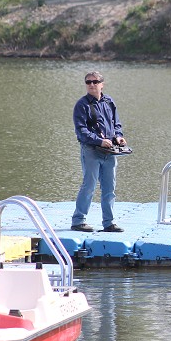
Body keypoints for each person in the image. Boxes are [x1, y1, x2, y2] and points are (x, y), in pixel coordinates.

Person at [71, 71, 127, 233]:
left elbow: (116, 124)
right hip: (91, 150)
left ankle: (108, 223)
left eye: (95, 82)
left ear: (102, 84)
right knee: (89, 185)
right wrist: (98, 140)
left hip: (109, 151)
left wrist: (119, 137)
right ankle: (78, 220)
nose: (91, 85)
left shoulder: (109, 101)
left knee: (110, 188)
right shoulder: (81, 105)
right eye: (88, 82)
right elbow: (81, 131)